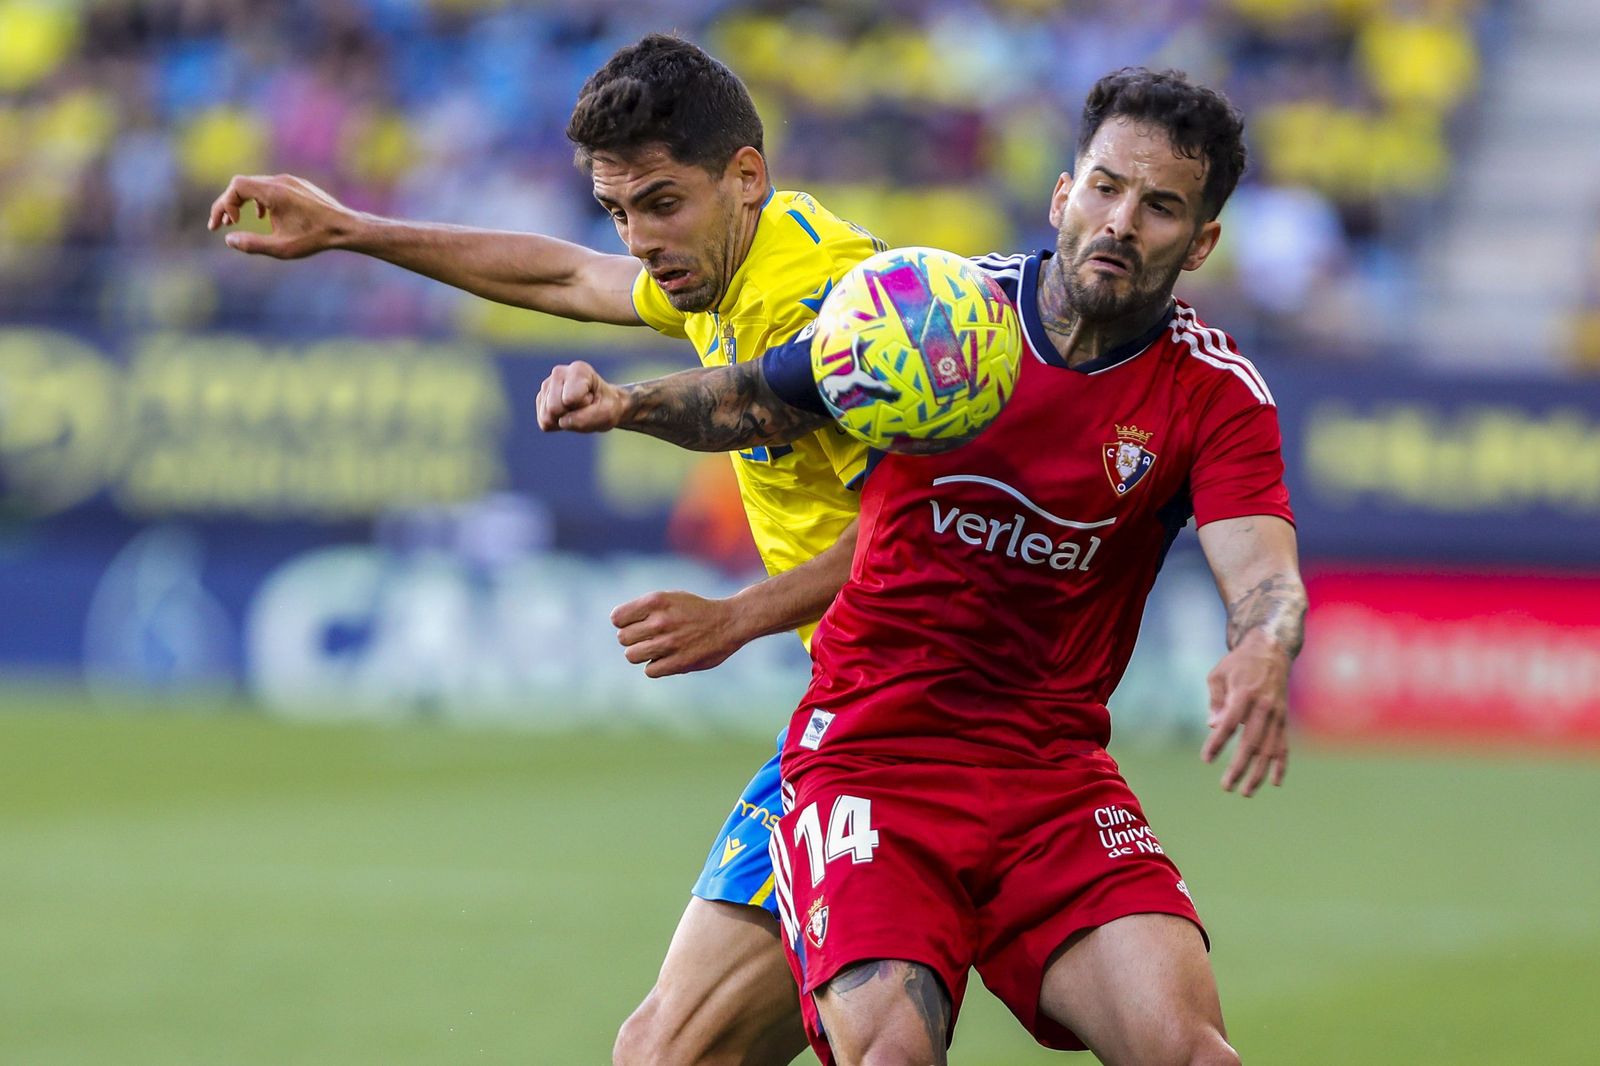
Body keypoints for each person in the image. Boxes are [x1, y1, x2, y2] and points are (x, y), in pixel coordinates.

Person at [535, 68, 1307, 1065]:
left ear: (1199, 241)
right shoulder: (932, 309)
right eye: (1107, 188)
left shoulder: (1213, 392)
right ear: (1062, 193)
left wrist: (1264, 648)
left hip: (1050, 776)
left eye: (1160, 207)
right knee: (881, 1054)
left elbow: (1261, 572)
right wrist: (627, 404)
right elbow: (759, 396)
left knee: (1191, 1053)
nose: (1122, 222)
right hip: (873, 760)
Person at [209, 33, 886, 1066]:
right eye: (619, 209)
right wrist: (349, 228)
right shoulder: (748, 248)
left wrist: (737, 615)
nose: (639, 237)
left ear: (743, 174)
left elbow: (929, 526)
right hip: (876, 696)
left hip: (912, 708)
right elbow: (569, 276)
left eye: (659, 202)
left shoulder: (816, 302)